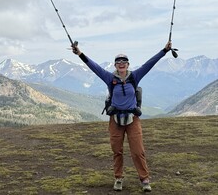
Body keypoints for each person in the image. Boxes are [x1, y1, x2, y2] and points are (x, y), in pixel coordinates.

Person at [71, 41, 171, 192]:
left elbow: (149, 64)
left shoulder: (135, 77)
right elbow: (94, 67)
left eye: (124, 61)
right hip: (115, 120)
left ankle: (145, 180)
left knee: (138, 151)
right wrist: (79, 53)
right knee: (117, 151)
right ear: (115, 65)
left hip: (133, 119)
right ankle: (118, 178)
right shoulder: (109, 78)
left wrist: (164, 50)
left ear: (128, 64)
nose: (121, 64)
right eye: (118, 62)